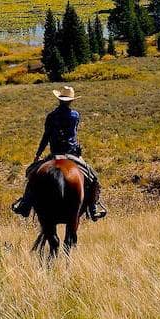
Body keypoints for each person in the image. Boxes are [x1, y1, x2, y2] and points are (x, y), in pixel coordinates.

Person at [11, 85, 107, 220]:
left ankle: (25, 205)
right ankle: (93, 207)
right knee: (93, 177)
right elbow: (74, 133)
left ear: (59, 100)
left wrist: (38, 153)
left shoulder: (51, 116)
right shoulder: (75, 115)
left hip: (55, 152)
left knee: (32, 174)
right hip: (72, 153)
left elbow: (46, 136)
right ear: (71, 101)